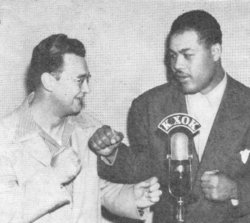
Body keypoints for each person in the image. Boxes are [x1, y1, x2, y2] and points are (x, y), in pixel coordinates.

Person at [89, 10, 250, 223]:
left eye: (187, 55)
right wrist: (110, 154)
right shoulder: (149, 106)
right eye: (173, 56)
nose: (177, 66)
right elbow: (140, 170)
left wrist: (236, 190)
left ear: (215, 51)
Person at [0, 34, 162, 223]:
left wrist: (131, 197)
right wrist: (53, 177)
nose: (87, 89)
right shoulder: (5, 137)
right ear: (49, 82)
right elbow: (5, 214)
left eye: (87, 80)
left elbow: (97, 190)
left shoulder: (88, 127)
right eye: (79, 80)